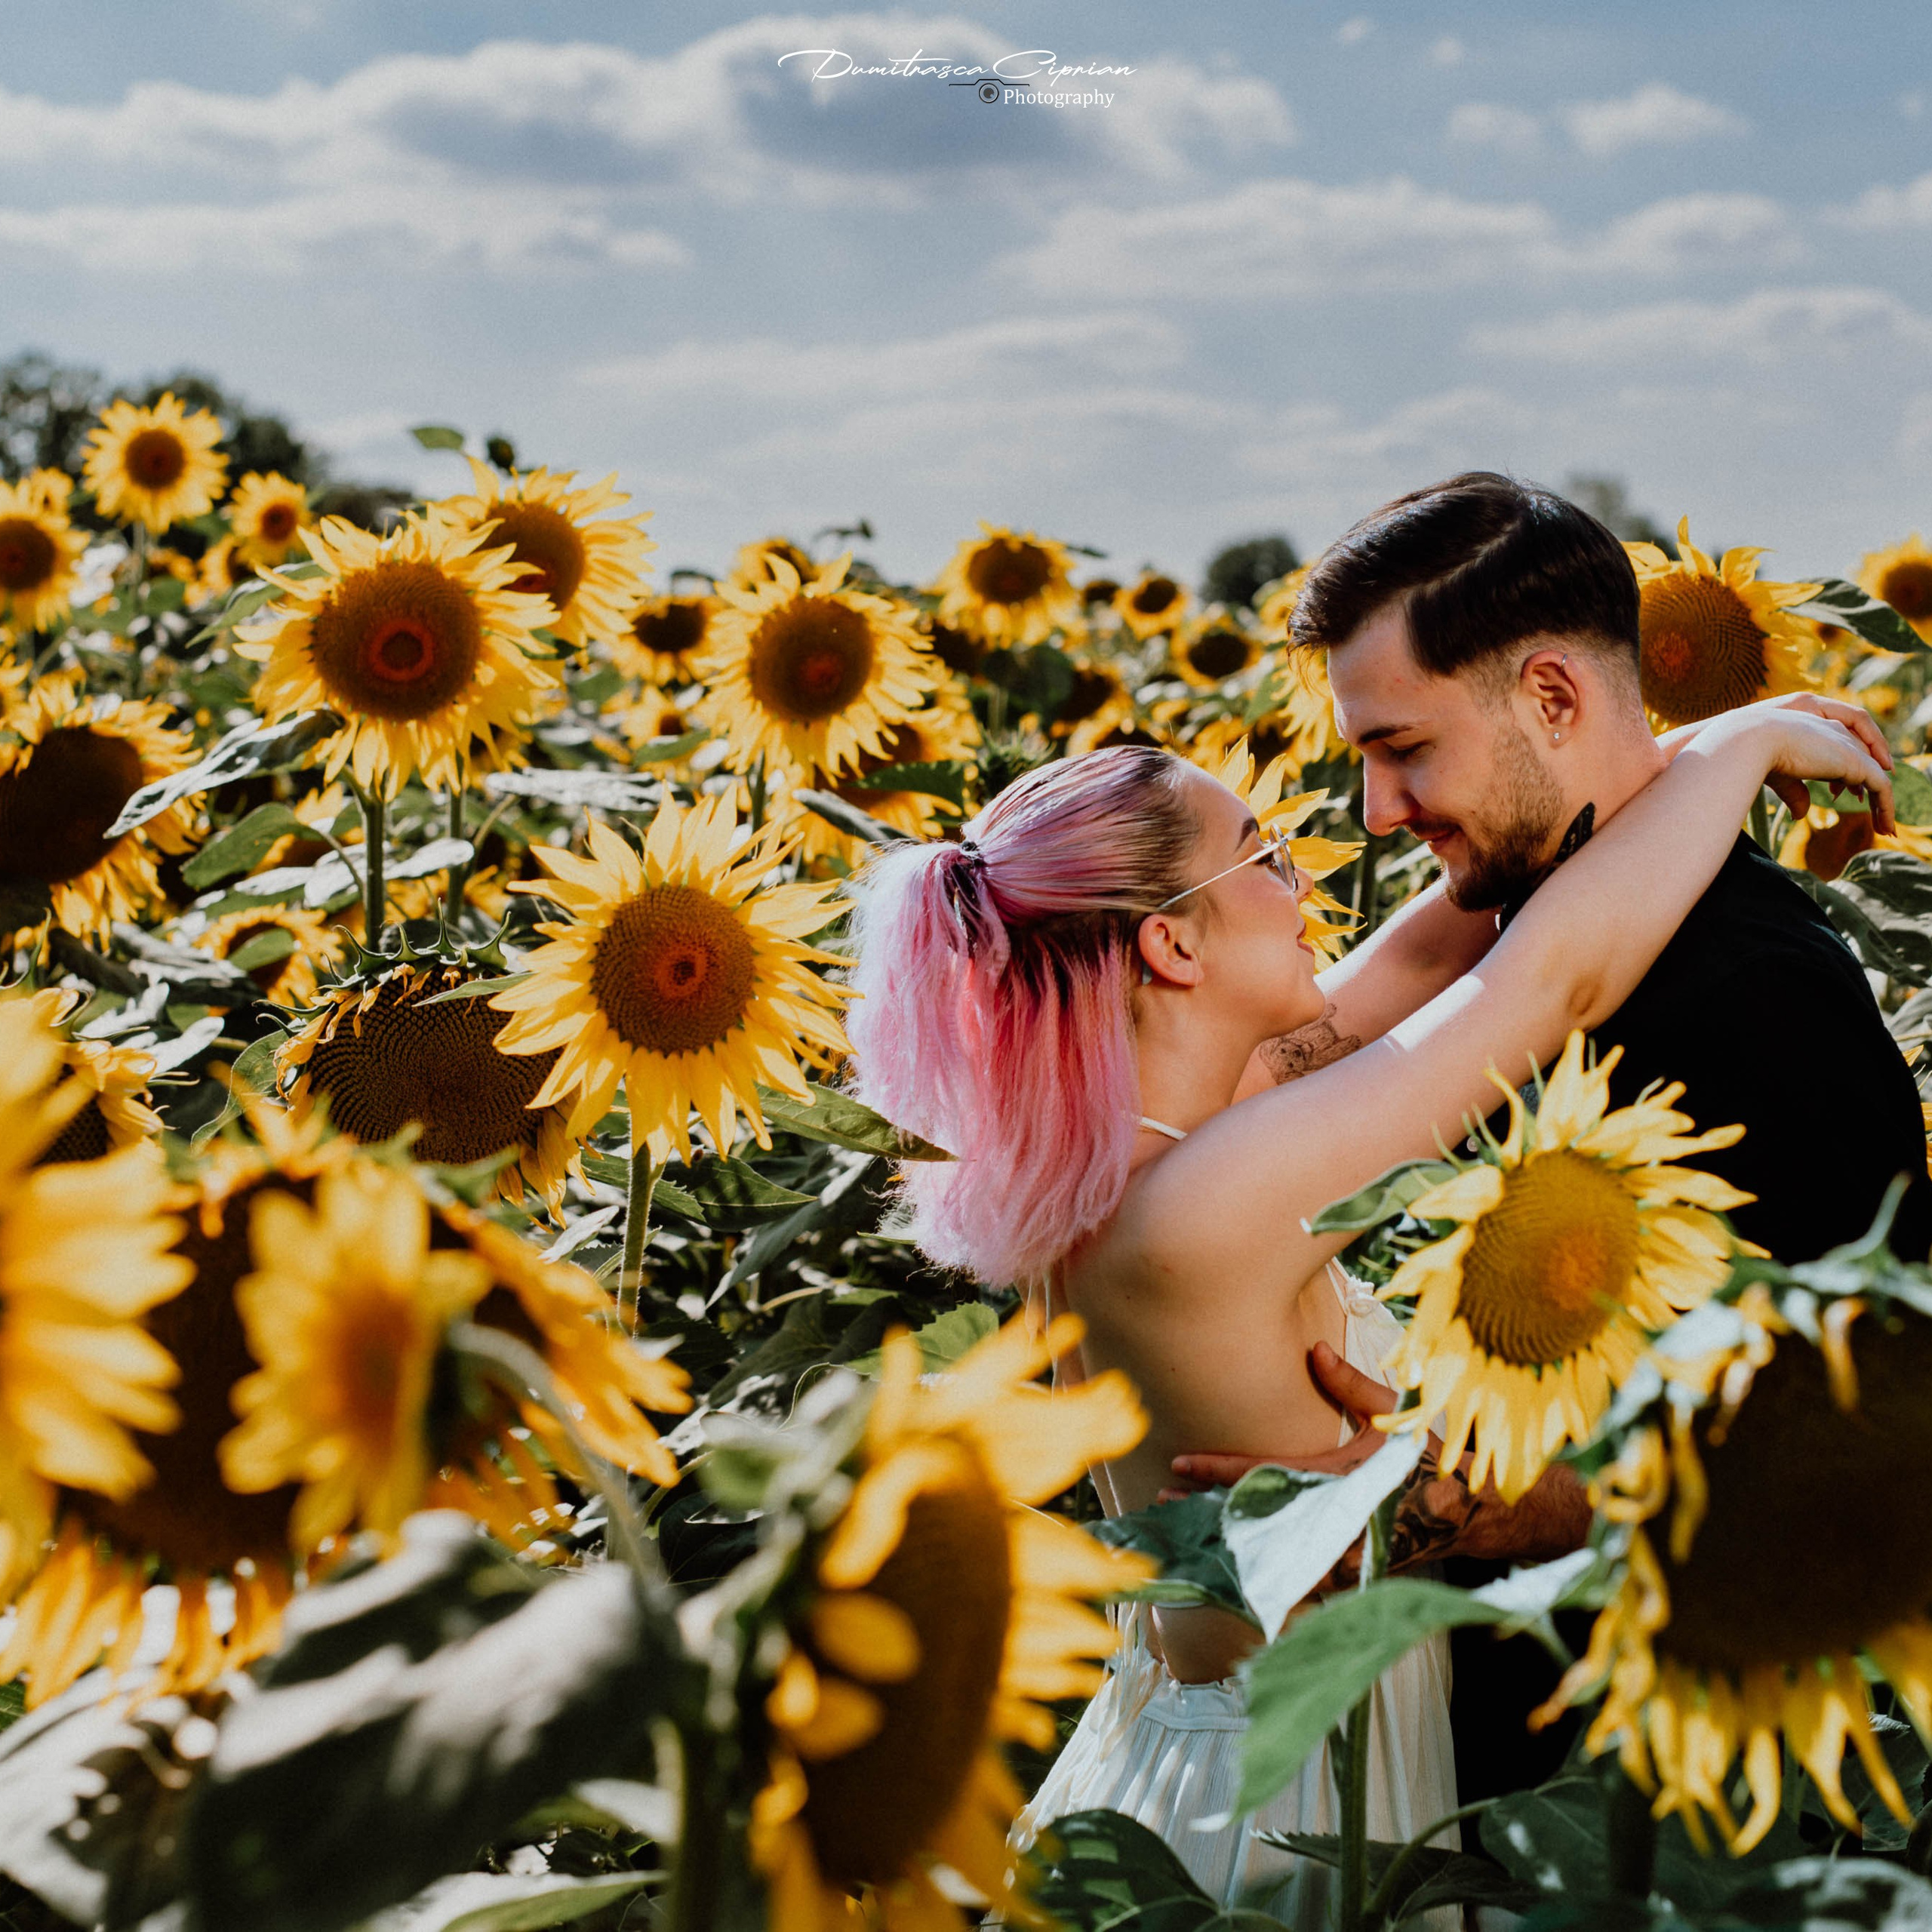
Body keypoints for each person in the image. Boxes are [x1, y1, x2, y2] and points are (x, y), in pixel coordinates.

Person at [841, 678, 1891, 1920]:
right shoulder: (1203, 1206)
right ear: (1174, 947)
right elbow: (1546, 983)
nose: (1305, 885)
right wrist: (1746, 737)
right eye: (1264, 858)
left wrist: (1623, 751)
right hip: (1290, 1812)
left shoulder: (1146, 1147)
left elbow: (1442, 945)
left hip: (1201, 1751)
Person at [1166, 471, 1932, 1826]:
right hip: (1492, 1769)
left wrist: (1487, 1507)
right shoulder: (1520, 934)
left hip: (1669, 1788)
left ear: (1555, 698)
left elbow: (1866, 1422)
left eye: (1404, 749)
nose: (1376, 811)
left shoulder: (1751, 984)